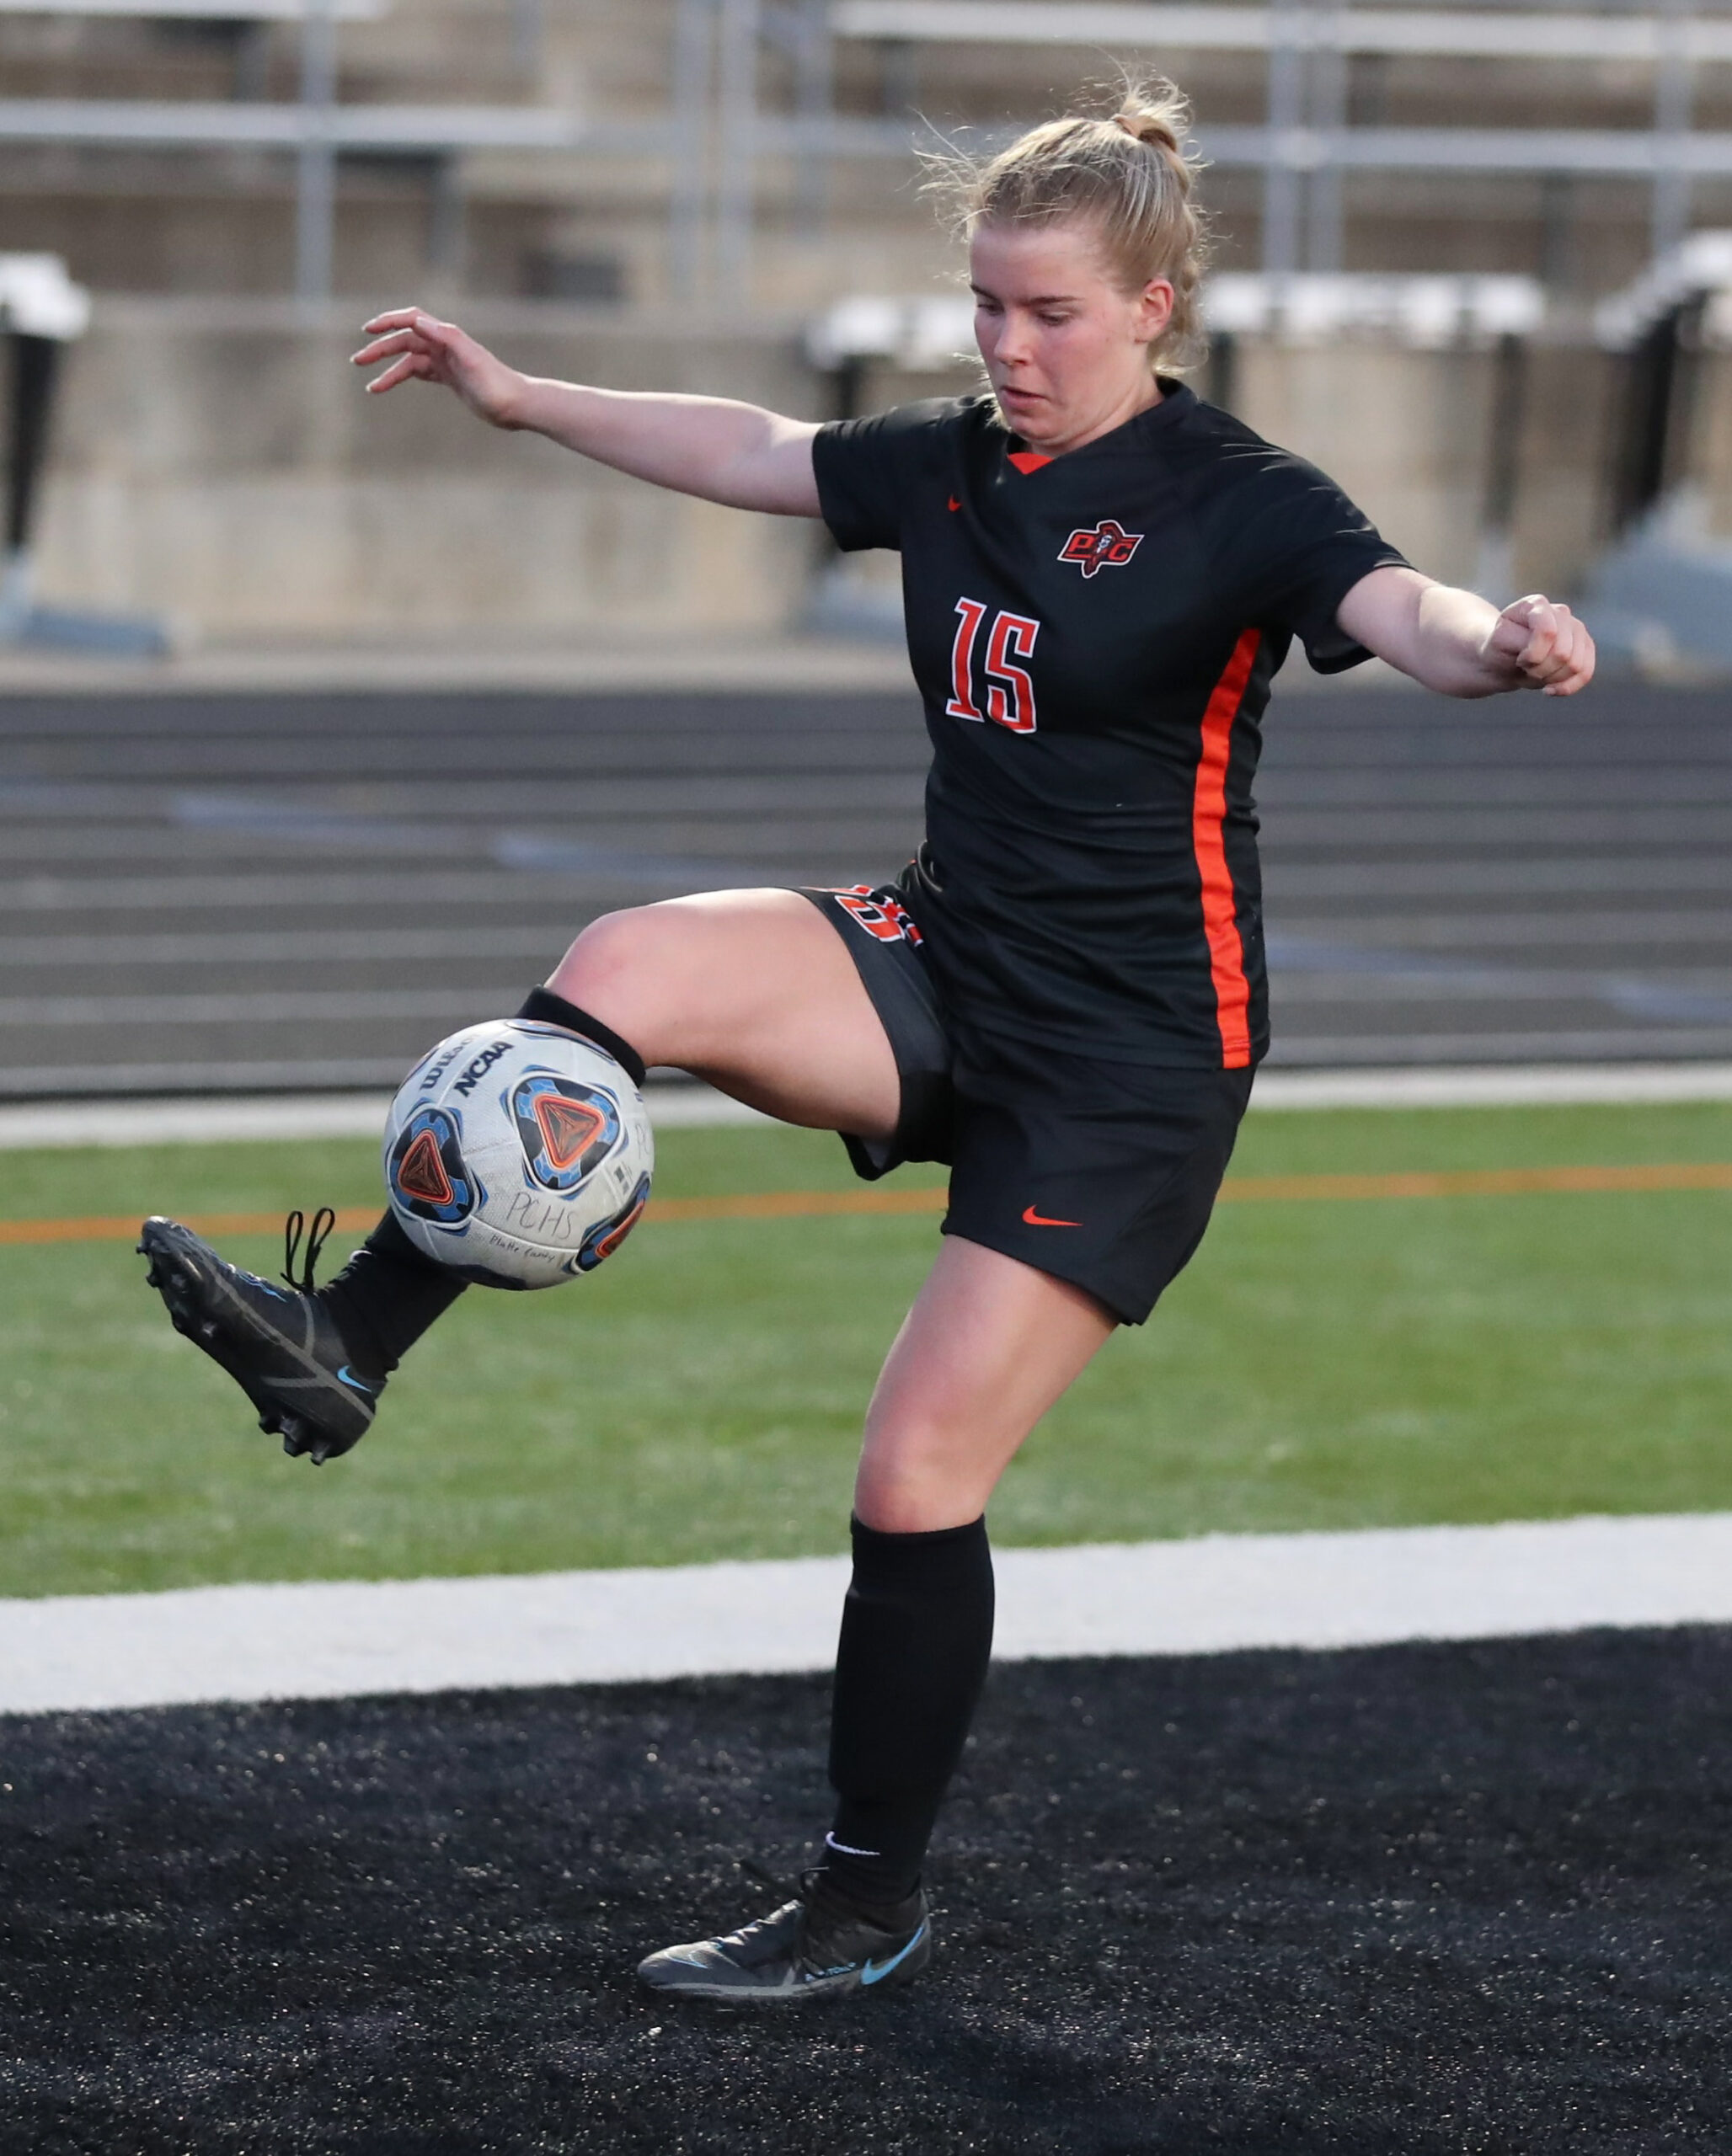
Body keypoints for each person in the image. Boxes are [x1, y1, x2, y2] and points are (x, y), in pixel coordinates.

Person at [138, 77, 1595, 2005]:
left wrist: (1498, 642)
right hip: (944, 950)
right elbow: (755, 444)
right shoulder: (952, 460)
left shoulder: (1242, 496)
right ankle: (351, 1341)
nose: (1007, 344)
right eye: (985, 303)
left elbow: (1398, 607)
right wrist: (521, 396)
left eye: (1049, 312)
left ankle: (858, 1897)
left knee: (912, 1474)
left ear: (1151, 306)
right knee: (626, 960)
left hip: (1127, 1061)